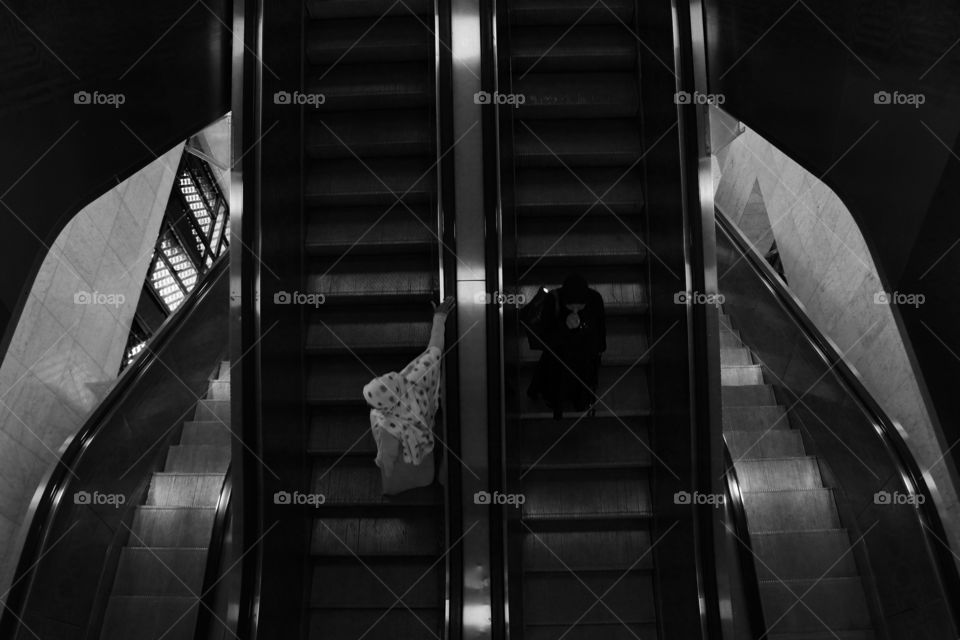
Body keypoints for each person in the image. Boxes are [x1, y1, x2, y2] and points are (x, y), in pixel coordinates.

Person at [362, 296, 455, 495]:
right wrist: (439, 317)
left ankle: (406, 486)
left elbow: (387, 459)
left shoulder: (389, 427)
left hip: (411, 454)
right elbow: (434, 349)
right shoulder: (416, 376)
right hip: (426, 423)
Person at [527, 274, 606, 420]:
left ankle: (579, 398)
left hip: (584, 355)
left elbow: (600, 335)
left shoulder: (594, 299)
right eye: (570, 305)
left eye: (580, 305)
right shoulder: (553, 299)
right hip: (558, 355)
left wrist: (583, 329)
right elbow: (545, 338)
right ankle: (557, 399)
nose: (575, 309)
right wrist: (564, 327)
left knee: (582, 361)